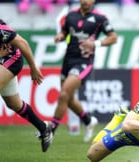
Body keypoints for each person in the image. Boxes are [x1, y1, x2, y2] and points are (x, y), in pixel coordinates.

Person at [53, 0, 118, 142]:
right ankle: (88, 120)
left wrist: (95, 43)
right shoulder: (70, 15)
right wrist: (60, 36)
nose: (86, 1)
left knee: (64, 92)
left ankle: (51, 129)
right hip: (68, 59)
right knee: (68, 99)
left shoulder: (100, 18)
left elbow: (113, 37)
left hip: (84, 62)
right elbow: (65, 31)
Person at [0, 18, 53, 152]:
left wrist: (33, 67)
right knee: (14, 104)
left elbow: (23, 43)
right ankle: (44, 128)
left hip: (10, 60)